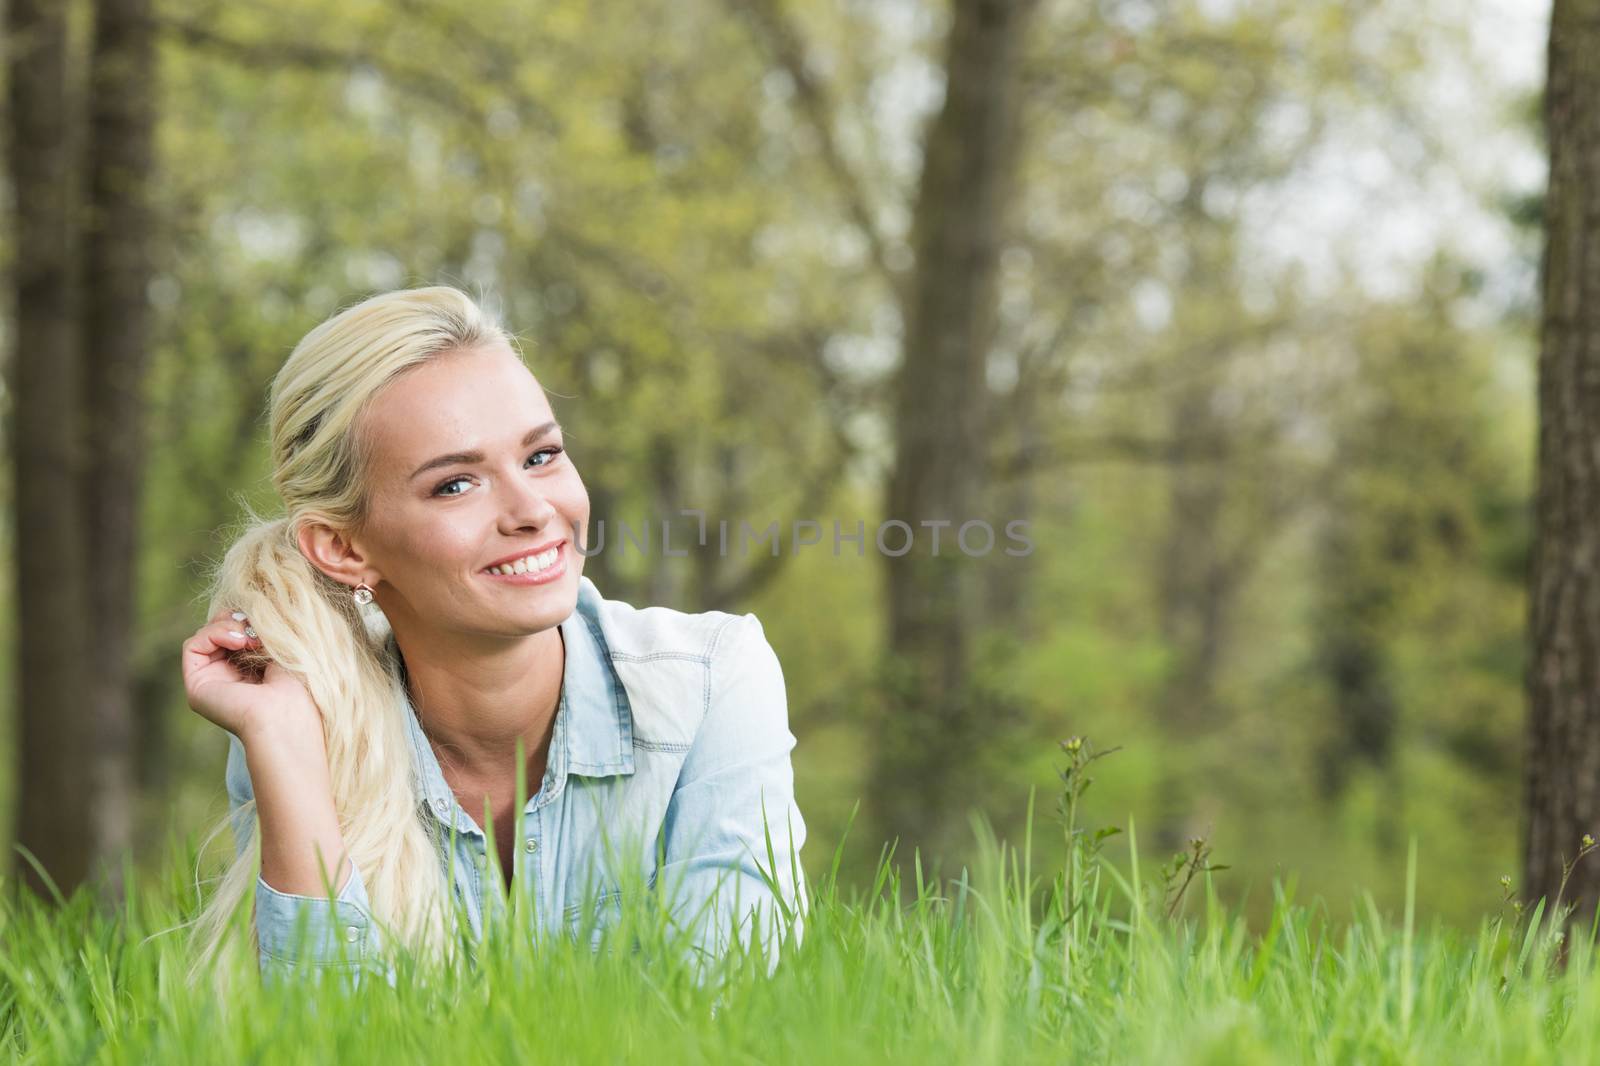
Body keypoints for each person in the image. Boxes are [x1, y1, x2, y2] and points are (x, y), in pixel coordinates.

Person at [179, 285, 808, 989]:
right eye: (455, 485)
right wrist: (282, 743)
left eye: (541, 457)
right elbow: (319, 1040)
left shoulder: (711, 682)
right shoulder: (301, 721)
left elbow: (729, 1014)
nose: (534, 510)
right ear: (343, 548)